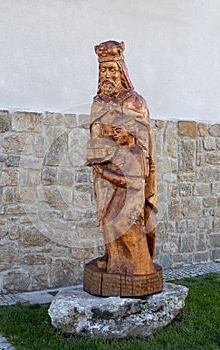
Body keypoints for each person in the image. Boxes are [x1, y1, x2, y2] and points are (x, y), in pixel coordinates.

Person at [88, 40, 157, 275]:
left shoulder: (134, 101)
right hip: (103, 167)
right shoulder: (98, 102)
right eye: (102, 70)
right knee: (106, 216)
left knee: (128, 220)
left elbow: (143, 138)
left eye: (111, 70)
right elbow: (95, 134)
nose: (106, 75)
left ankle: (136, 264)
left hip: (128, 169)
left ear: (121, 72)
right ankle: (113, 257)